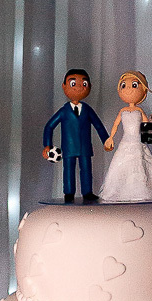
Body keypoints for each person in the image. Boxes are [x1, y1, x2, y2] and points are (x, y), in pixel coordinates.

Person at [99, 71, 152, 203]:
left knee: (140, 163)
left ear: (143, 90)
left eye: (134, 85)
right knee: (122, 164)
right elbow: (116, 125)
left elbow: (146, 124)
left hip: (137, 141)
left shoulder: (139, 111)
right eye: (124, 85)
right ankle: (119, 191)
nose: (129, 89)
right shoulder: (123, 111)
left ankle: (144, 190)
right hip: (126, 141)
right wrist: (111, 137)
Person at [43, 68, 109, 202]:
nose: (79, 87)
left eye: (84, 84)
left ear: (89, 86)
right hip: (68, 148)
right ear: (64, 86)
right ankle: (68, 193)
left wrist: (106, 140)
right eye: (73, 84)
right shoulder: (64, 111)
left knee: (86, 170)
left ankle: (87, 192)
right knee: (68, 171)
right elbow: (49, 126)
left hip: (85, 147)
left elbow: (98, 126)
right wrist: (47, 145)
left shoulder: (88, 110)